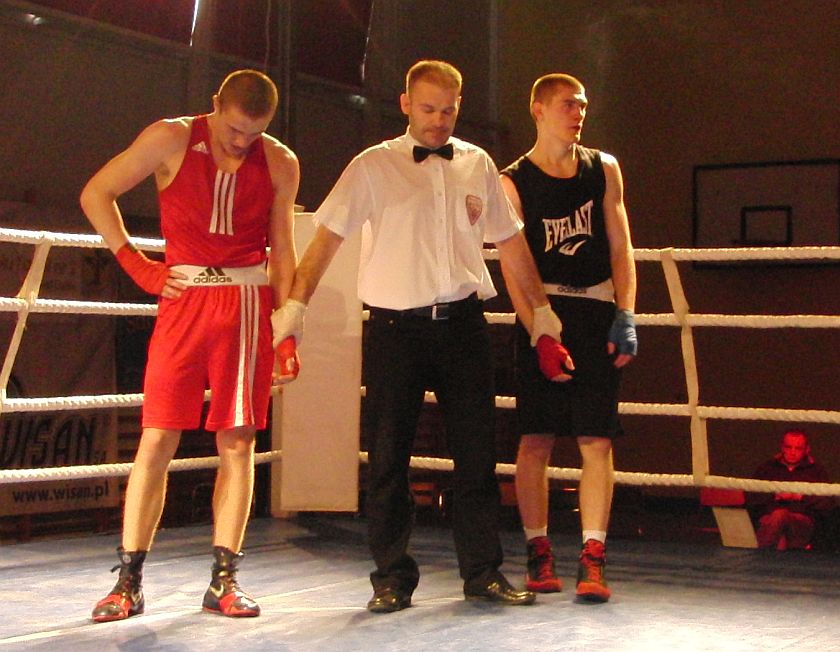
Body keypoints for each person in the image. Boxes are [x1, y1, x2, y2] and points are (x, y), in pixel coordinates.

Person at [271, 60, 571, 613]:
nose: (438, 121)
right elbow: (325, 241)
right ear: (406, 104)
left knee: (477, 457)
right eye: (428, 109)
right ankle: (390, 577)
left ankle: (483, 573)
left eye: (448, 111)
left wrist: (544, 320)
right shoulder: (372, 166)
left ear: (459, 107)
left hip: (464, 326)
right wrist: (293, 311)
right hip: (396, 330)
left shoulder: (478, 164)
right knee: (388, 458)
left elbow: (512, 245)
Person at [80, 69, 300, 621]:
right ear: (215, 105)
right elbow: (96, 193)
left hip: (247, 305)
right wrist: (138, 266)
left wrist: (288, 327)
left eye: (254, 133)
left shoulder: (280, 161)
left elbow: (283, 247)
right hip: (184, 301)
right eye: (234, 129)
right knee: (157, 437)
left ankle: (224, 581)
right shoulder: (171, 137)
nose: (241, 142)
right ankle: (128, 581)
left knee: (238, 442)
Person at [500, 73, 637, 603]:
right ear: (538, 109)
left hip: (596, 310)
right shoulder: (513, 181)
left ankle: (593, 557)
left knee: (596, 439)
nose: (577, 113)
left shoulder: (604, 168)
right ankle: (538, 550)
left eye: (581, 105)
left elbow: (621, 244)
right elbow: (514, 266)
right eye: (566, 104)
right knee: (536, 437)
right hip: (543, 310)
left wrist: (626, 312)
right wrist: (538, 328)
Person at [752, 430, 834, 550]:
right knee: (777, 521)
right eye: (788, 447)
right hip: (769, 519)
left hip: (802, 523)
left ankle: (757, 555)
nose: (792, 452)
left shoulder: (816, 471)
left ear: (807, 449)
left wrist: (799, 496)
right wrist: (775, 495)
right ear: (782, 447)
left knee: (780, 515)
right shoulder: (767, 468)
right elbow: (751, 497)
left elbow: (828, 503)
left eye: (798, 448)